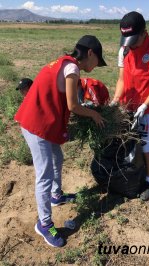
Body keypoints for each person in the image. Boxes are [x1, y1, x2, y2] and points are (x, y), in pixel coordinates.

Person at [14, 35, 107, 247]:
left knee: (57, 157)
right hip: (36, 125)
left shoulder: (63, 62)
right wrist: (94, 115)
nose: (97, 66)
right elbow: (73, 106)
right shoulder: (72, 69)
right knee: (44, 175)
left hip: (41, 120)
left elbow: (63, 100)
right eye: (97, 61)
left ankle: (56, 196)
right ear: (90, 53)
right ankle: (44, 224)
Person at [111, 11, 149, 201]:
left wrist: (144, 105)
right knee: (124, 142)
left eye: (134, 39)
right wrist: (115, 100)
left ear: (145, 32)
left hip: (147, 109)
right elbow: (121, 79)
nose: (132, 44)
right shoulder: (124, 49)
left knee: (145, 145)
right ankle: (128, 172)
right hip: (126, 104)